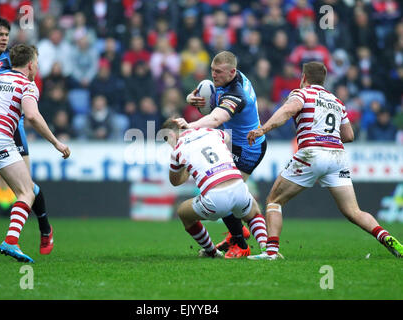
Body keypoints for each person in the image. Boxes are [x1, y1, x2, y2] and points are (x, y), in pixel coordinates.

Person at [246, 61, 403, 260]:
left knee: (274, 201)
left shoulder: (301, 93)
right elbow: (349, 135)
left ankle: (271, 252)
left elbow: (286, 112)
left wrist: (262, 129)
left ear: (303, 77)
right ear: (324, 79)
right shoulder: (336, 101)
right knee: (354, 211)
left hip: (312, 152)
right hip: (337, 156)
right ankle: (388, 239)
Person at [0, 44, 70, 262]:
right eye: (36, 62)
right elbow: (32, 116)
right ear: (30, 64)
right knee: (27, 192)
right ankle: (11, 240)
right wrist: (57, 143)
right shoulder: (27, 85)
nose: (37, 67)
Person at [174, 51, 268, 258]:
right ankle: (238, 234)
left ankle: (241, 244)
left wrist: (191, 126)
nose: (214, 75)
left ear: (232, 71)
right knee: (227, 192)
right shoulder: (227, 78)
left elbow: (216, 119)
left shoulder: (237, 93)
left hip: (247, 148)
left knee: (224, 190)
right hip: (234, 142)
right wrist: (192, 98)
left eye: (218, 72)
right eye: (212, 70)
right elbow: (196, 95)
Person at [162, 119, 264, 259]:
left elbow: (175, 181)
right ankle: (267, 249)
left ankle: (212, 252)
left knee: (183, 212)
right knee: (254, 212)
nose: (170, 145)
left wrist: (187, 167)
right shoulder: (210, 131)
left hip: (215, 199)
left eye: (168, 140)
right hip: (239, 186)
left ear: (172, 135)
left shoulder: (177, 150)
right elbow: (227, 137)